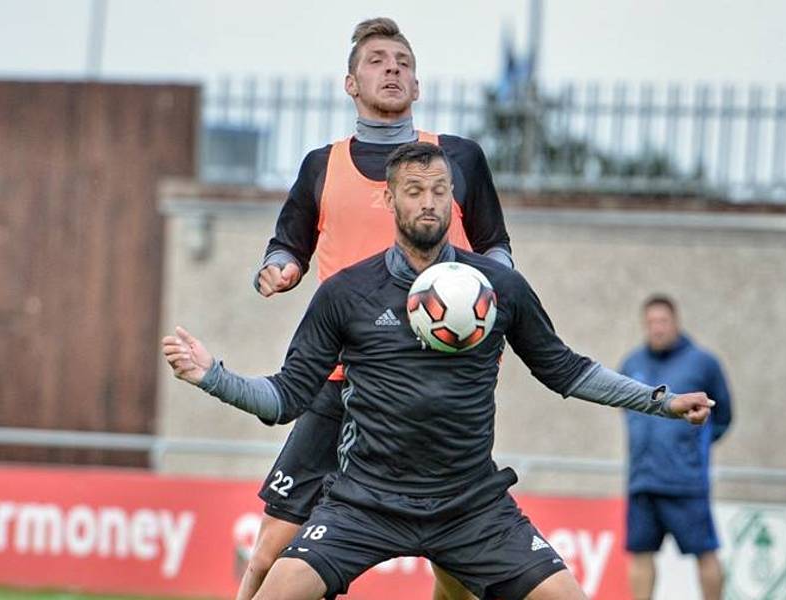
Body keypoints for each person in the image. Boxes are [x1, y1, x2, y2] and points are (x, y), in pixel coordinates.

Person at [163, 142, 715, 600]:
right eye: (414, 191)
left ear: (454, 199)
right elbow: (284, 398)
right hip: (366, 499)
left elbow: (566, 370)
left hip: (469, 503)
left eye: (440, 191)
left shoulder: (500, 288)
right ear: (389, 199)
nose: (429, 203)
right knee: (278, 590)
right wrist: (212, 375)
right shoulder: (345, 294)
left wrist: (661, 401)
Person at [248, 17, 511, 600]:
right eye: (377, 59)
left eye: (403, 62)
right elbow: (287, 241)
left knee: (456, 562)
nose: (392, 68)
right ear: (350, 84)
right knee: (271, 550)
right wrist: (279, 267)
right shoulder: (323, 164)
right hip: (340, 378)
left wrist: (496, 303)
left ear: (417, 86)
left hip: (437, 385)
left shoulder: (459, 159)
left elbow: (496, 249)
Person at [620, 295, 732, 600]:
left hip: (685, 481)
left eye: (663, 321)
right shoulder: (632, 363)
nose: (657, 328)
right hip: (642, 479)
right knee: (640, 553)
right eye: (651, 322)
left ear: (675, 322)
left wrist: (692, 448)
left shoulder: (703, 362)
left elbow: (723, 416)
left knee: (705, 554)